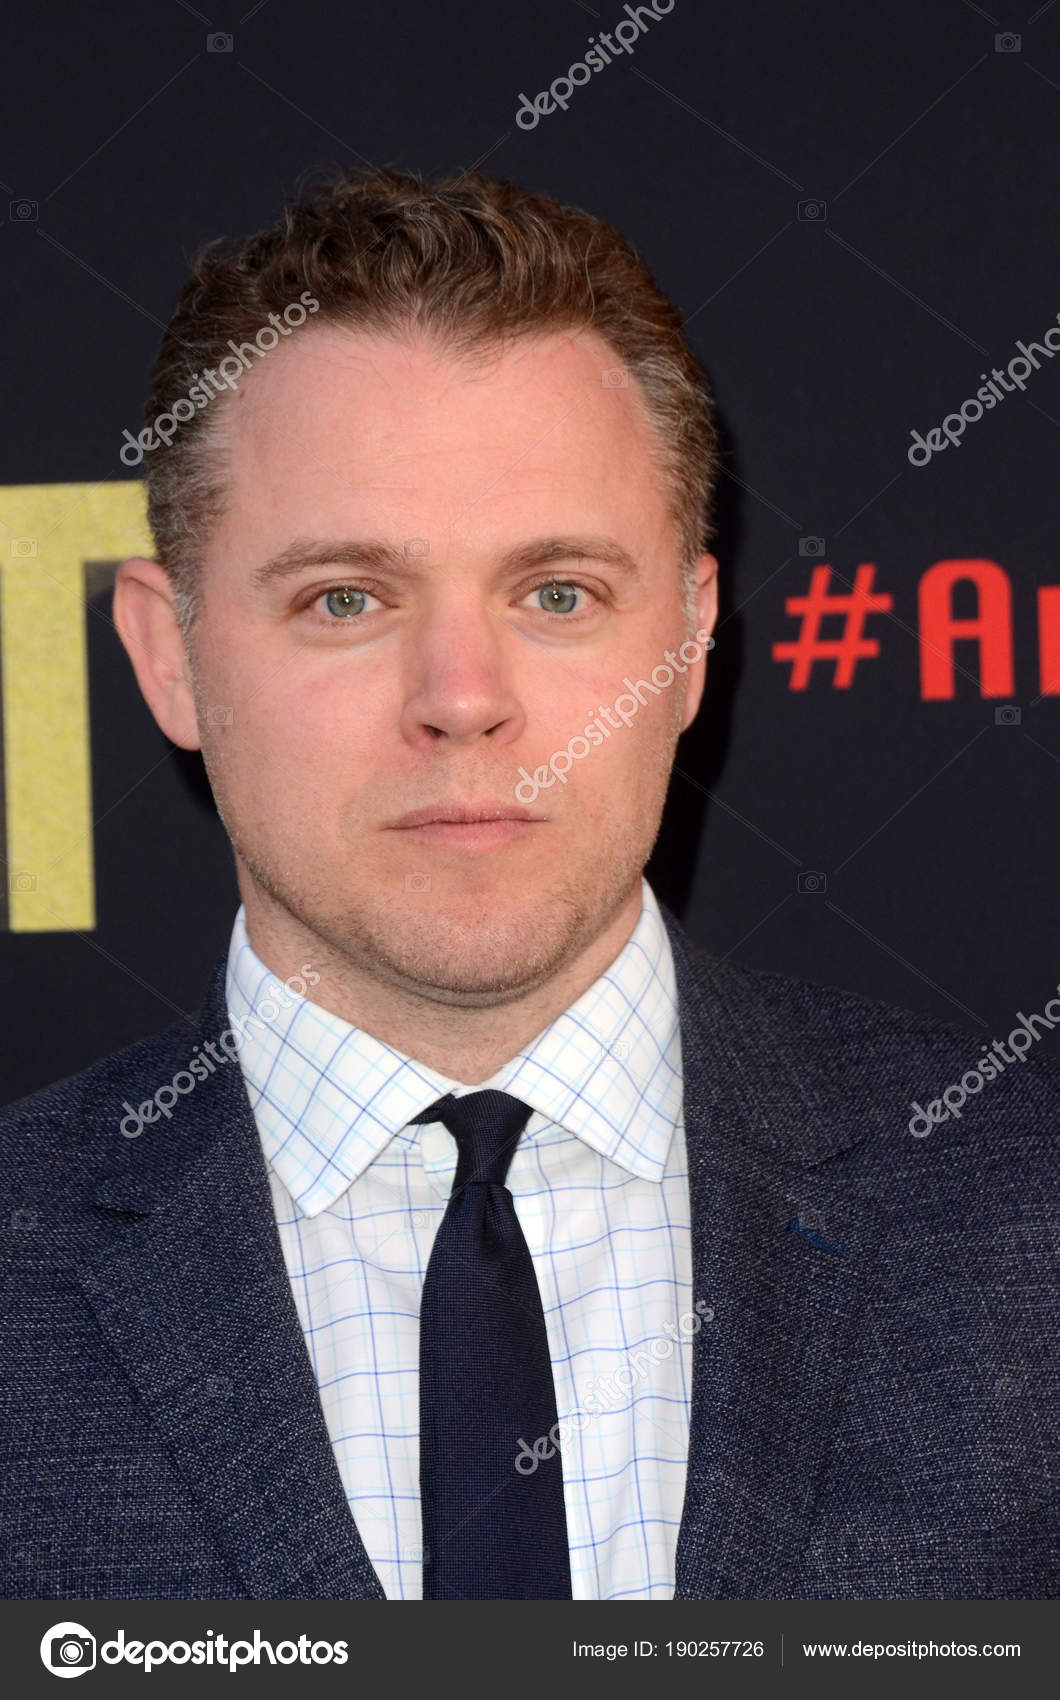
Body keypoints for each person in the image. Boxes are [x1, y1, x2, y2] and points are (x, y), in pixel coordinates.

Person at [2, 167, 1056, 1602]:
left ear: (687, 647)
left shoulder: (1024, 1212)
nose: (462, 700)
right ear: (168, 652)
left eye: (557, 593)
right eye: (346, 599)